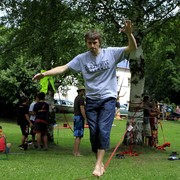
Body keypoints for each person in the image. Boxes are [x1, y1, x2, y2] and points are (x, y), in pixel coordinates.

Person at [32, 20, 137, 177]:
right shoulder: (82, 59)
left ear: (99, 42)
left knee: (102, 129)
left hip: (108, 99)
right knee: (94, 133)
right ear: (86, 43)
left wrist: (129, 33)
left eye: (95, 42)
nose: (92, 46)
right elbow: (64, 68)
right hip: (92, 100)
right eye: (89, 43)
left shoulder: (111, 53)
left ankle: (97, 164)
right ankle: (99, 162)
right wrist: (45, 74)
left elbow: (132, 48)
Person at [73, 86, 87, 157]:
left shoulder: (76, 98)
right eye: (83, 91)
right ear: (81, 91)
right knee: (79, 135)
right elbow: (82, 109)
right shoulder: (81, 99)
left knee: (77, 135)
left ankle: (75, 151)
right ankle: (77, 152)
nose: (84, 92)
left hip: (75, 117)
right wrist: (85, 118)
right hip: (79, 118)